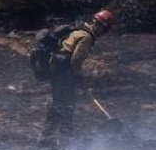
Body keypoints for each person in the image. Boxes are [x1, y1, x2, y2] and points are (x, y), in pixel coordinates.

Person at [42, 9, 115, 143]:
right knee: (67, 106)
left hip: (56, 69)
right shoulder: (86, 37)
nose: (103, 34)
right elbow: (76, 61)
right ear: (98, 26)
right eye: (104, 30)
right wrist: (80, 80)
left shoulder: (78, 30)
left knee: (56, 103)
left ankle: (45, 139)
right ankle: (65, 142)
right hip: (63, 71)